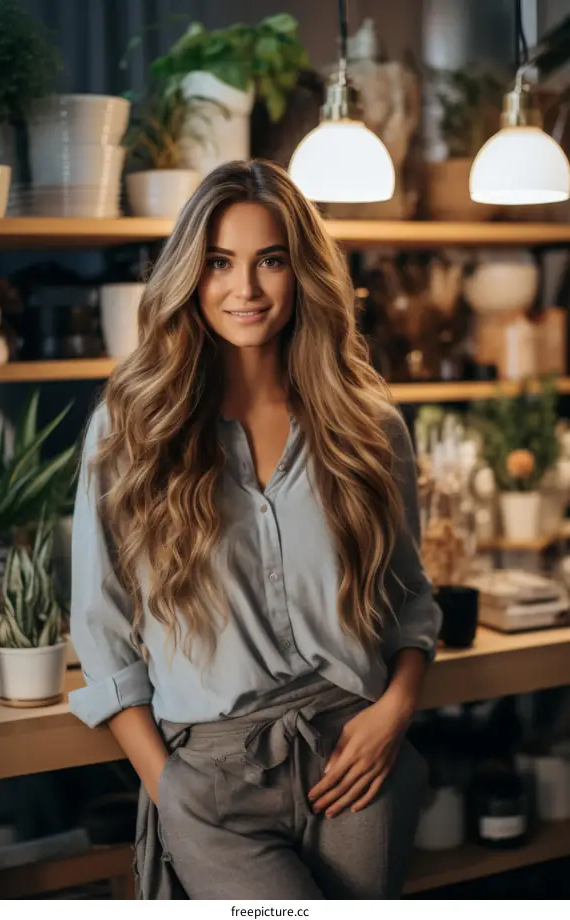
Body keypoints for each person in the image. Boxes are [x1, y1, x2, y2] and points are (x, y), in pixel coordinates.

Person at [68, 159, 441, 900]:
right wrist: (170, 785)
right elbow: (101, 628)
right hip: (212, 781)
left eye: (270, 260)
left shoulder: (368, 428)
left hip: (354, 759)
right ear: (190, 275)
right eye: (219, 263)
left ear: (302, 271)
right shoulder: (132, 429)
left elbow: (408, 600)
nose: (245, 288)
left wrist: (394, 712)